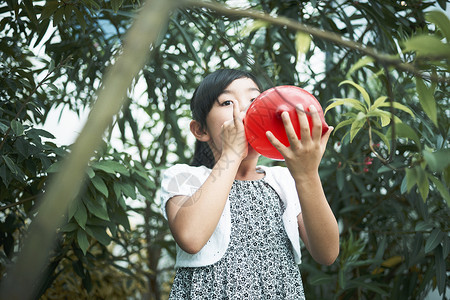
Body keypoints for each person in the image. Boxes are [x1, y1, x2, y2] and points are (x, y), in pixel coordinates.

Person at [160, 69, 339, 299]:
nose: (247, 109)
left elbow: (327, 253)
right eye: (227, 102)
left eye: (255, 100)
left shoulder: (283, 180)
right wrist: (231, 156)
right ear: (200, 129)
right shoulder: (184, 177)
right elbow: (191, 238)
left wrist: (307, 175)